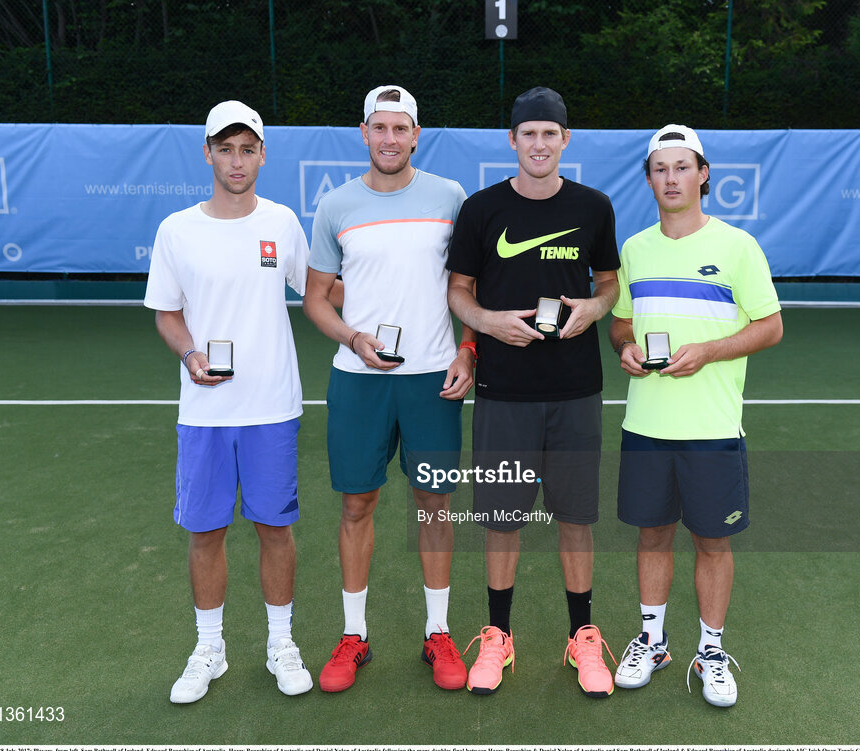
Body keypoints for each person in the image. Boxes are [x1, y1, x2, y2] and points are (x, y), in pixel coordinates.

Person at [446, 86, 621, 697]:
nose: (540, 144)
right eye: (529, 134)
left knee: (576, 518)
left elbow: (608, 284)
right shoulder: (481, 209)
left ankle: (584, 639)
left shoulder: (594, 207)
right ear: (512, 141)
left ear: (564, 141)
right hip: (504, 390)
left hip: (575, 390)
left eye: (551, 133)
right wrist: (488, 324)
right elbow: (459, 290)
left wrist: (594, 310)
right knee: (503, 520)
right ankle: (498, 637)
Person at [303, 85, 475, 693]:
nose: (390, 139)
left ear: (416, 136)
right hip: (358, 381)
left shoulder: (449, 198)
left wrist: (468, 348)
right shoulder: (335, 206)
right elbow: (316, 299)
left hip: (432, 379)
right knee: (356, 505)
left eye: (401, 128)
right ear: (364, 132)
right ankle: (354, 636)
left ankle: (438, 633)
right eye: (380, 128)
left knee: (434, 505)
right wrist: (352, 339)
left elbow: (467, 286)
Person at [608, 124, 783, 707]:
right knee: (652, 535)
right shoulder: (634, 249)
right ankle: (653, 642)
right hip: (646, 426)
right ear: (650, 178)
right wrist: (625, 346)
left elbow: (770, 326)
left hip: (712, 430)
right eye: (660, 169)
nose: (670, 178)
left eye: (682, 167)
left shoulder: (738, 246)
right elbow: (622, 322)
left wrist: (708, 351)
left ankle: (710, 651)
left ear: (703, 174)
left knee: (712, 543)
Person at [145, 100, 313, 703]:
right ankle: (208, 648)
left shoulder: (283, 223)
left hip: (271, 407)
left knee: (275, 527)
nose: (236, 161)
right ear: (209, 153)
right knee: (206, 531)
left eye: (248, 149)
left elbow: (319, 287)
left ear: (262, 155)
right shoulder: (176, 229)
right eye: (226, 148)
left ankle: (280, 643)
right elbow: (166, 313)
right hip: (205, 411)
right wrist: (191, 355)